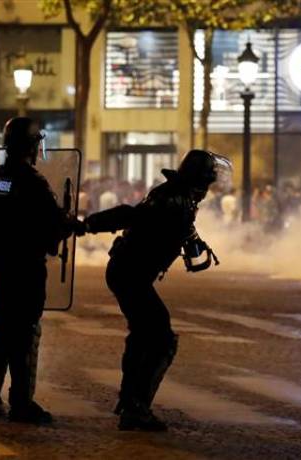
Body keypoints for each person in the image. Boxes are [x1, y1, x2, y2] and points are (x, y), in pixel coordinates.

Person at [82, 150, 230, 431]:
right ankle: (136, 408)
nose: (211, 185)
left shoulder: (180, 196)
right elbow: (130, 216)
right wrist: (88, 225)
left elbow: (173, 230)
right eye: (209, 178)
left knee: (142, 335)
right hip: (131, 273)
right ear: (200, 178)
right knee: (161, 339)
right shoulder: (173, 199)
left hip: (130, 271)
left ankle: (128, 400)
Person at [0, 117, 76, 425]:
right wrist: (68, 219)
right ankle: (21, 402)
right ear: (32, 147)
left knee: (3, 331)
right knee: (23, 334)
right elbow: (53, 223)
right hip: (24, 267)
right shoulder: (33, 182)